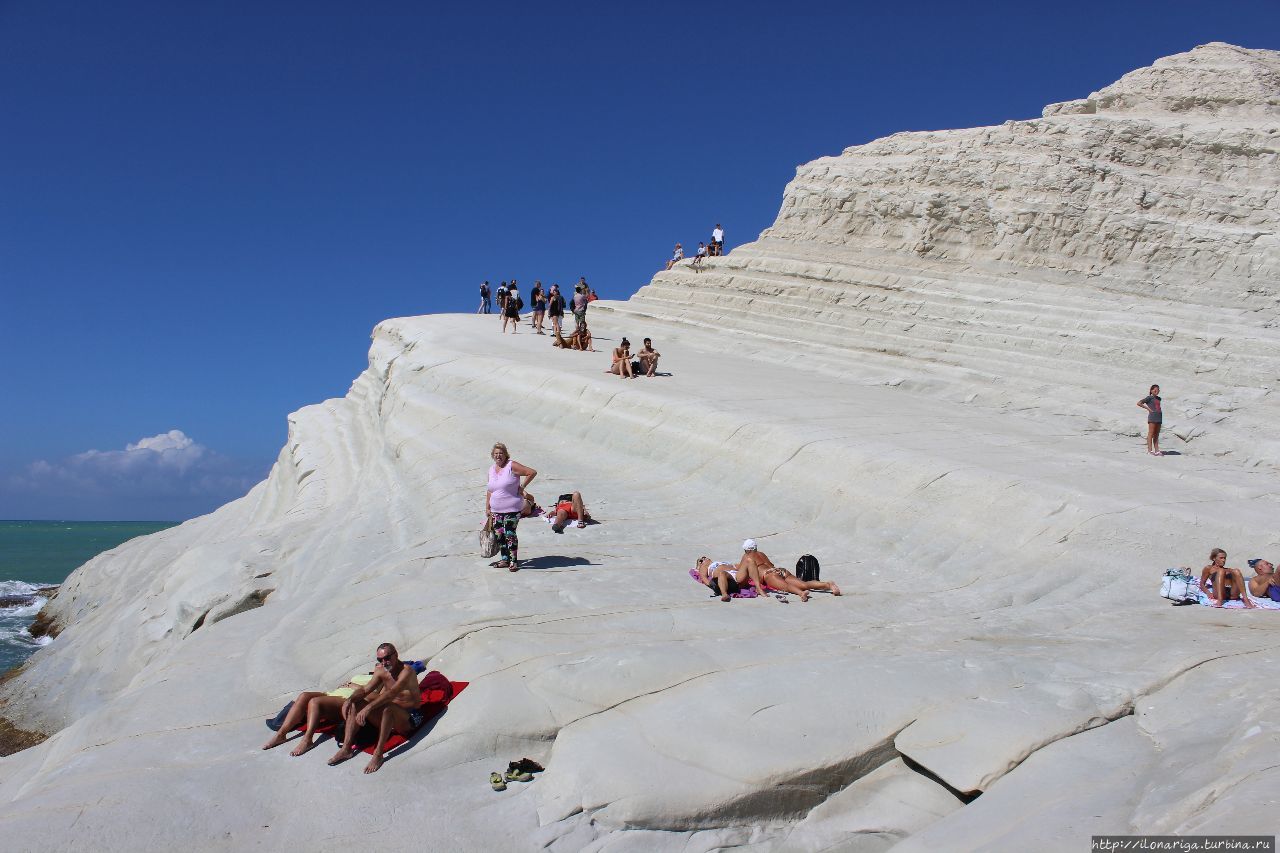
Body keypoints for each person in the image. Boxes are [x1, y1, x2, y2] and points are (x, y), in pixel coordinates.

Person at [327, 643, 425, 773]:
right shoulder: (381, 670)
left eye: (387, 658)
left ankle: (378, 755)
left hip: (410, 718)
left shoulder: (407, 672)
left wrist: (368, 708)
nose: (384, 662)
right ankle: (346, 749)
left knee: (388, 708)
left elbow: (391, 693)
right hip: (388, 719)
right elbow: (365, 689)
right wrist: (350, 700)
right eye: (380, 660)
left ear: (396, 654)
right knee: (356, 702)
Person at [486, 442, 536, 570]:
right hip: (496, 509)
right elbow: (490, 490)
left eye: (501, 453)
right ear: (493, 455)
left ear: (505, 455)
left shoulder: (511, 465)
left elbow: (531, 472)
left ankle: (513, 561)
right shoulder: (491, 469)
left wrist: (522, 487)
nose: (498, 456)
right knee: (499, 534)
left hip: (512, 508)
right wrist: (487, 507)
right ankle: (505, 559)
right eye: (496, 454)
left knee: (509, 533)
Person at [739, 539, 841, 601]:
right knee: (803, 584)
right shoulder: (761, 554)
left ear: (746, 549)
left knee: (787, 587)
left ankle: (801, 594)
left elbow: (742, 570)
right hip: (780, 570)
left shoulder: (747, 557)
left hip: (769, 575)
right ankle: (828, 585)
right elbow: (769, 565)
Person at [262, 686, 351, 756]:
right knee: (304, 695)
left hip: (347, 700)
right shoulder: (361, 675)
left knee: (314, 702)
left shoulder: (365, 680)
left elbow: (364, 690)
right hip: (333, 694)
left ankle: (307, 740)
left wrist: (353, 686)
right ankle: (281, 735)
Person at [1138, 384, 1163, 456]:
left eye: (1157, 389)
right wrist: (1148, 409)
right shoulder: (1149, 398)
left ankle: (1157, 450)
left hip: (1159, 417)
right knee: (1151, 433)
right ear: (1151, 390)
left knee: (1156, 434)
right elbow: (1139, 403)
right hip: (1152, 417)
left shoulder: (1159, 398)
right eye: (1154, 389)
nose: (1156, 390)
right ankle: (1149, 451)